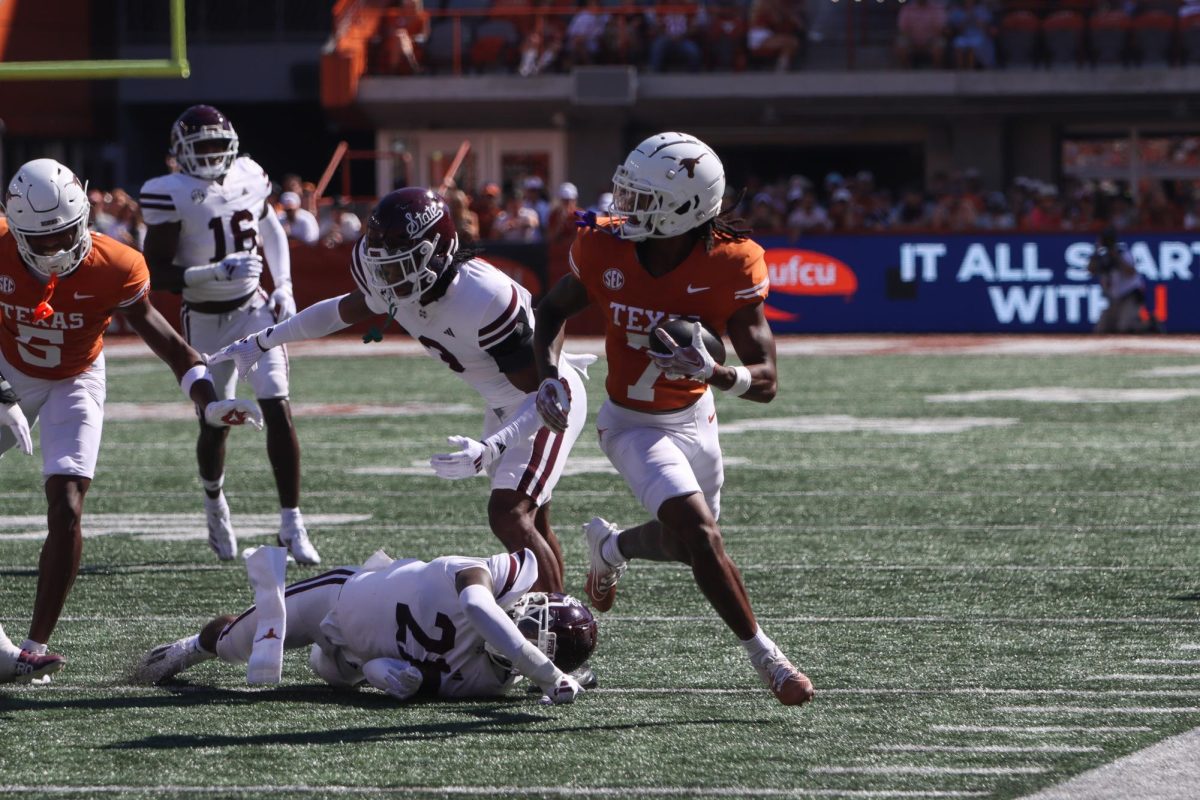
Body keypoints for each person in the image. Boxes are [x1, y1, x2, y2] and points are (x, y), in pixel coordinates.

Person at [531, 132, 814, 706]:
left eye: (641, 198)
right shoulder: (603, 247)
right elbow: (551, 310)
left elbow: (767, 382)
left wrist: (713, 372)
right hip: (631, 424)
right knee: (704, 535)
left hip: (695, 416)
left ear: (685, 209)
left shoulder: (732, 263)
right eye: (625, 193)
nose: (623, 208)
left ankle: (612, 548)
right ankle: (769, 659)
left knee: (691, 545)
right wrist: (547, 373)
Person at [209, 188, 593, 594]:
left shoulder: (485, 298)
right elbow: (342, 311)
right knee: (530, 521)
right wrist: (264, 339)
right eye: (382, 267)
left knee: (510, 515)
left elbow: (536, 395)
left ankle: (563, 637)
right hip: (504, 403)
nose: (387, 278)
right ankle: (558, 618)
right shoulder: (395, 277)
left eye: (398, 266)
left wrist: (493, 447)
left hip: (548, 401)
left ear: (437, 252)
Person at [0, 158, 261, 683]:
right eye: (41, 241)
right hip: (7, 369)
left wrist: (208, 403)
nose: (54, 250)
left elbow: (174, 347)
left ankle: (32, 648)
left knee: (68, 504)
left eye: (65, 236)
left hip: (76, 377)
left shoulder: (116, 264)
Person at [140, 105, 319, 565]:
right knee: (215, 421)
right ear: (180, 153)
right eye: (202, 148)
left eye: (219, 145)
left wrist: (285, 286)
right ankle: (214, 501)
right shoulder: (169, 193)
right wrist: (212, 272)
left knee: (277, 404)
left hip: (253, 311)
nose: (212, 156)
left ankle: (292, 522)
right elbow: (156, 273)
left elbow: (270, 227)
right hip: (202, 318)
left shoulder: (250, 175)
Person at [135, 546, 595, 704]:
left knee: (337, 675)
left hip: (355, 655)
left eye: (536, 635)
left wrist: (379, 673)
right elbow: (477, 607)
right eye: (532, 619)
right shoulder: (496, 576)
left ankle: (331, 660)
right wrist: (546, 672)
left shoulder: (487, 683)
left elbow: (408, 679)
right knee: (238, 644)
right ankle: (191, 646)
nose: (524, 626)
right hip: (337, 596)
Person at [1089, 227, 1155, 334]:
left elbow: (1131, 272)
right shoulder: (1101, 255)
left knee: (1124, 327)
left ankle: (1149, 325)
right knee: (1101, 329)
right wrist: (1096, 253)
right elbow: (1090, 270)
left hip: (1130, 296)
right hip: (1114, 298)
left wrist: (1115, 256)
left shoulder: (1122, 251)